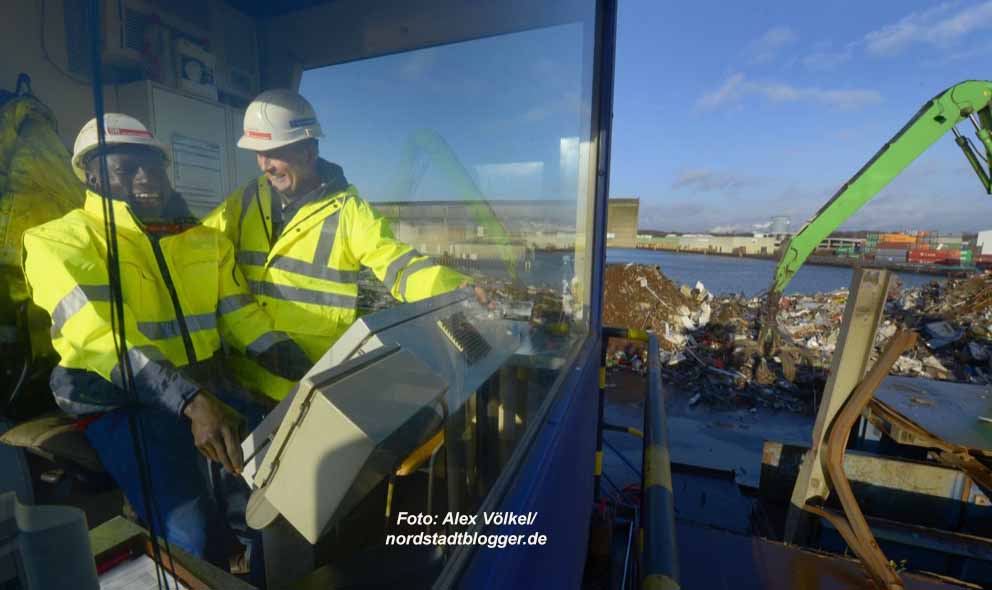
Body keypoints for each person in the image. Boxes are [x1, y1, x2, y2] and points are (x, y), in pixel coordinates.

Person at [21, 114, 311, 580]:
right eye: (126, 169)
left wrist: (309, 369)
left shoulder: (202, 240)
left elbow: (243, 319)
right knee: (190, 534)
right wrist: (192, 403)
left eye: (153, 167)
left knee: (271, 503)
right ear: (92, 175)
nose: (146, 180)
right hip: (122, 401)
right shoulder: (56, 241)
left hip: (204, 390)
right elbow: (102, 338)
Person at [204, 89, 476, 400]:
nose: (265, 165)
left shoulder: (348, 212)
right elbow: (198, 245)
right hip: (244, 380)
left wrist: (458, 291)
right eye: (259, 153)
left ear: (309, 152)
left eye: (275, 152)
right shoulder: (246, 199)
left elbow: (399, 265)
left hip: (303, 389)